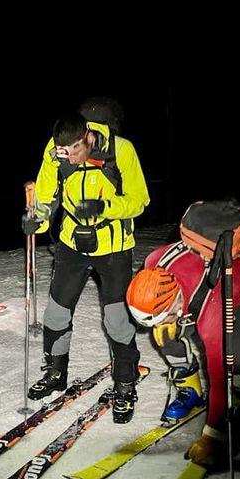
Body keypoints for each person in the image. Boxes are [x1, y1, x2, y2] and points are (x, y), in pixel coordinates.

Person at [21, 113, 150, 423]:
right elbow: (46, 194)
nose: (70, 156)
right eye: (64, 150)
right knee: (55, 314)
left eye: (75, 149)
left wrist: (105, 207)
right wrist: (35, 220)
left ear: (88, 137)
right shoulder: (56, 151)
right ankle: (56, 372)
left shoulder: (121, 150)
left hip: (113, 245)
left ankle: (124, 382)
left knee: (117, 319)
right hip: (72, 242)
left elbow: (140, 200)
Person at [126, 234, 240, 466]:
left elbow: (218, 375)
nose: (158, 323)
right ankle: (191, 391)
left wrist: (211, 437)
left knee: (237, 350)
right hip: (202, 287)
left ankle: (239, 392)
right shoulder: (153, 263)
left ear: (177, 303)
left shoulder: (210, 311)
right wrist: (167, 323)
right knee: (166, 333)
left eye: (163, 316)